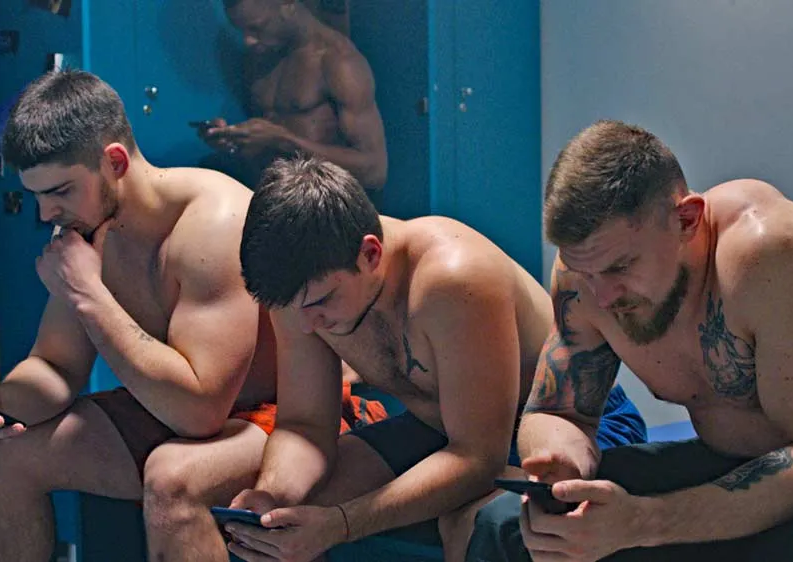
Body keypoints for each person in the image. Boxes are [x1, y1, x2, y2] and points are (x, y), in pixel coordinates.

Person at [0, 70, 384, 562]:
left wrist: (88, 294)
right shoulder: (87, 229)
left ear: (114, 161)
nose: (46, 213)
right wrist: (1, 405)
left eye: (61, 191)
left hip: (289, 418)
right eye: (38, 195)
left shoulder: (213, 223)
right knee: (5, 455)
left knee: (173, 478)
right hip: (180, 409)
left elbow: (200, 413)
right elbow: (55, 365)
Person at [466, 120, 793, 561]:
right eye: (584, 272)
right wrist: (561, 465)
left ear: (686, 219)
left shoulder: (775, 252)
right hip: (726, 459)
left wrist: (643, 523)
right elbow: (558, 413)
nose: (602, 297)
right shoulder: (586, 277)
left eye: (620, 268)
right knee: (509, 525)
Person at [224, 155, 647, 562]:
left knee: (472, 523)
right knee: (287, 519)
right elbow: (305, 425)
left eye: (321, 303)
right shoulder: (301, 295)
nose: (306, 326)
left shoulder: (453, 277)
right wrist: (271, 496)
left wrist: (341, 524)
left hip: (573, 424)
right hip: (443, 426)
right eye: (293, 308)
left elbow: (477, 459)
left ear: (370, 254)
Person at [198, 0, 388, 191]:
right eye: (241, 30)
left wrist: (283, 141)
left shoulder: (339, 61)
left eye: (256, 27)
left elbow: (375, 172)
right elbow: (268, 146)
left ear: (287, 4)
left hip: (322, 201)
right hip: (271, 195)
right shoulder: (258, 59)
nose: (248, 41)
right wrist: (235, 140)